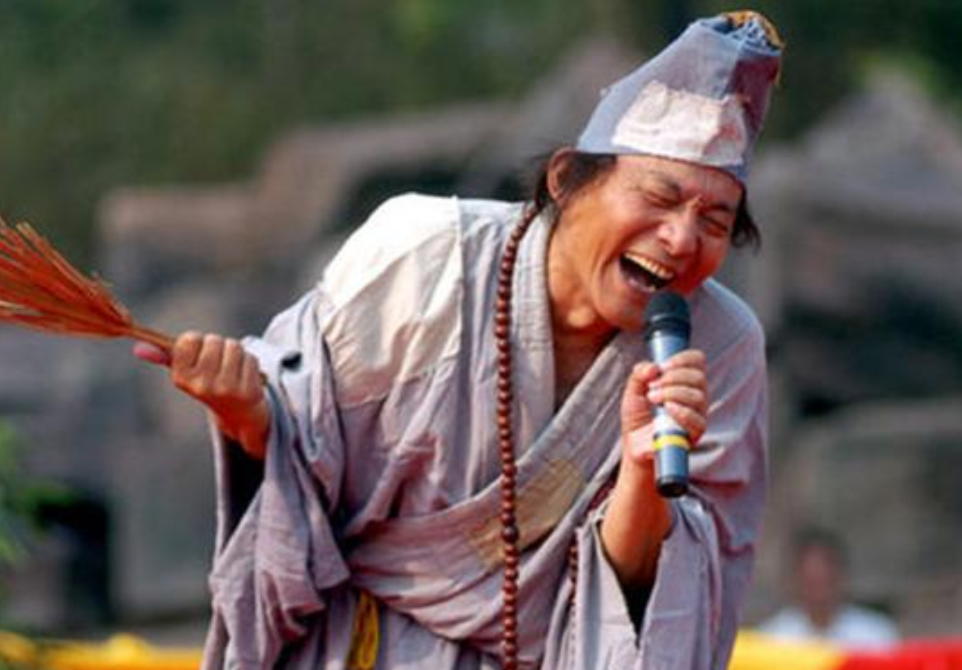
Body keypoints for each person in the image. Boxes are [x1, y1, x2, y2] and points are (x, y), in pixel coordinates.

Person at [134, 11, 782, 670]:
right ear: (566, 180)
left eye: (714, 221)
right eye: (660, 197)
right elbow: (297, 459)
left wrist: (643, 474)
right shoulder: (424, 256)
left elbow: (665, 605)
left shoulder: (721, 347)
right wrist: (248, 415)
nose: (680, 238)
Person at [758, 527, 900, 650]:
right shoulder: (772, 639)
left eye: (825, 580)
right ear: (794, 580)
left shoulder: (876, 635)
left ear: (841, 576)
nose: (819, 592)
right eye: (811, 582)